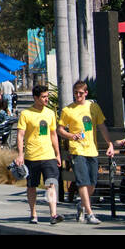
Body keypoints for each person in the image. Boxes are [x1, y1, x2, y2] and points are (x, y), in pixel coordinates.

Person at [57, 80, 115, 225]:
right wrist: (71, 136)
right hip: (77, 149)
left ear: (86, 93)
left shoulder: (93, 107)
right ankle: (89, 213)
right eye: (75, 93)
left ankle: (82, 204)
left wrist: (110, 144)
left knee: (92, 183)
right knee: (82, 181)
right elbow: (60, 129)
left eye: (81, 93)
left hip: (92, 149)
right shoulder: (68, 110)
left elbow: (102, 126)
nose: (78, 96)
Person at [15, 83, 63, 224]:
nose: (46, 99)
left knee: (51, 184)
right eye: (43, 97)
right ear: (35, 98)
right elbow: (20, 135)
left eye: (47, 96)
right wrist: (20, 154)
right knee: (32, 186)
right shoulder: (26, 114)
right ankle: (33, 213)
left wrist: (57, 153)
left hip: (48, 156)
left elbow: (53, 134)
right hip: (32, 156)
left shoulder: (50, 113)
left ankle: (53, 214)